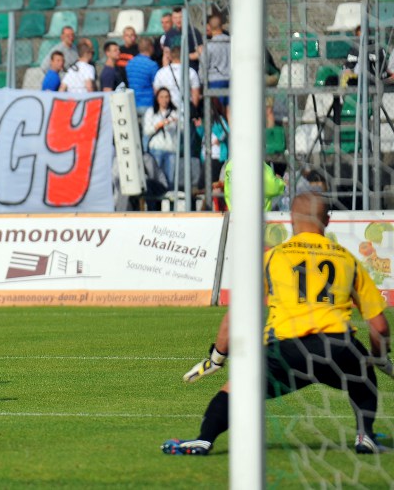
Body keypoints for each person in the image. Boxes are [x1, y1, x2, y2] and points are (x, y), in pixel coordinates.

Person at [162, 192, 394, 455]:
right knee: (364, 378)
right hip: (337, 347)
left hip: (286, 348)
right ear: (327, 220)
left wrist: (217, 358)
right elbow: (380, 326)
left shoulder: (273, 257)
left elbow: (237, 314)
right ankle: (365, 435)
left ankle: (204, 439)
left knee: (237, 389)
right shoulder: (347, 259)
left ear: (291, 219)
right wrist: (379, 358)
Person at [143, 87, 179, 189]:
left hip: (171, 150)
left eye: (167, 97)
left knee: (170, 180)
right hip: (156, 149)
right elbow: (147, 131)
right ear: (157, 99)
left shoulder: (174, 112)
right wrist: (159, 125)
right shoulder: (151, 112)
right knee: (156, 179)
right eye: (161, 97)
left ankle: (170, 198)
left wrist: (175, 122)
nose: (164, 100)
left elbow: (182, 129)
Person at [153, 46, 201, 114]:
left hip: (167, 111)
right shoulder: (191, 72)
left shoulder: (161, 73)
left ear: (170, 57)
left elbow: (156, 92)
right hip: (185, 111)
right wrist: (192, 112)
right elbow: (195, 95)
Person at [126, 37, 159, 125]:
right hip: (147, 103)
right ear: (151, 48)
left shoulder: (130, 63)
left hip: (132, 103)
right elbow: (156, 86)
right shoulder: (152, 65)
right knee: (147, 131)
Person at [201, 14, 230, 108]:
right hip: (231, 78)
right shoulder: (231, 42)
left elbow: (203, 66)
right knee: (230, 108)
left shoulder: (209, 45)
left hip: (215, 80)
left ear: (209, 27)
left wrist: (202, 81)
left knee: (217, 109)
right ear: (221, 25)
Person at [162, 7, 203, 72]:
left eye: (180, 17)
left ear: (185, 17)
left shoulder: (194, 32)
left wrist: (185, 56)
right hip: (174, 72)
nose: (178, 20)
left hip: (190, 71)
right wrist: (165, 71)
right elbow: (166, 56)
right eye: (175, 18)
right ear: (172, 19)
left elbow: (200, 53)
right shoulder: (169, 34)